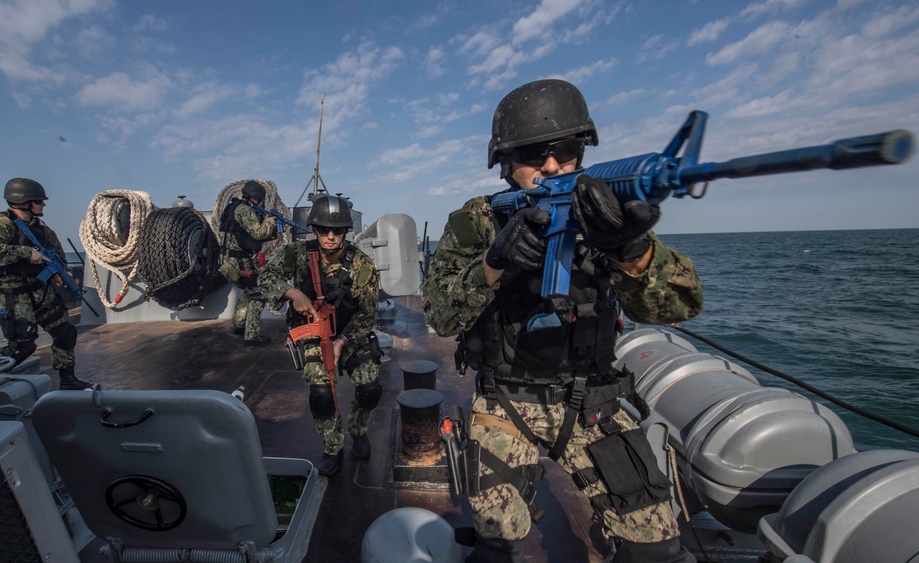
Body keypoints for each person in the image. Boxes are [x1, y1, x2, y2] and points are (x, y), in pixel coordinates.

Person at [422, 79, 704, 563]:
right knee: (497, 547)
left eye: (567, 150)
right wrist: (495, 259)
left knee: (658, 549)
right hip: (506, 400)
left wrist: (631, 249)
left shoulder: (601, 212)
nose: (552, 166)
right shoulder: (477, 220)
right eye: (533, 153)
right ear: (504, 162)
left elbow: (680, 306)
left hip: (592, 398)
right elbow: (440, 315)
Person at [258, 194, 383, 476]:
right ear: (313, 230)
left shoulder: (362, 265)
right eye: (323, 230)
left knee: (370, 387)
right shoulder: (298, 255)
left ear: (345, 232)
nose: (330, 236)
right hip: (313, 334)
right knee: (321, 393)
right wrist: (293, 292)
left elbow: (367, 312)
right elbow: (265, 277)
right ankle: (333, 446)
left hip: (349, 333)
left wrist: (342, 341)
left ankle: (358, 430)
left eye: (337, 230)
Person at [0, 177, 93, 390]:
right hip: (13, 293)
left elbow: (55, 253)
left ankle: (68, 380)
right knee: (22, 346)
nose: (43, 204)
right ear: (23, 201)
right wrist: (27, 253)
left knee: (65, 332)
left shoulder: (41, 228)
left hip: (40, 290)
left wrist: (58, 271)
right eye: (39, 200)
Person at [219, 180, 278, 346]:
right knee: (258, 294)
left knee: (248, 290)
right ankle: (252, 336)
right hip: (239, 261)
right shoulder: (244, 210)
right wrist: (270, 222)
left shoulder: (232, 208)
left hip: (230, 259)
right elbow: (259, 233)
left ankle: (238, 325)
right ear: (256, 198)